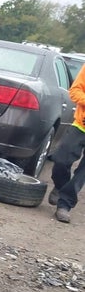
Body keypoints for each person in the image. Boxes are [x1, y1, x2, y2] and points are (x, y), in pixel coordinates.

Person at [49, 63, 85, 223]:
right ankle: (60, 185)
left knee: (82, 173)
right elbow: (75, 91)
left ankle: (64, 204)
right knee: (61, 160)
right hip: (80, 125)